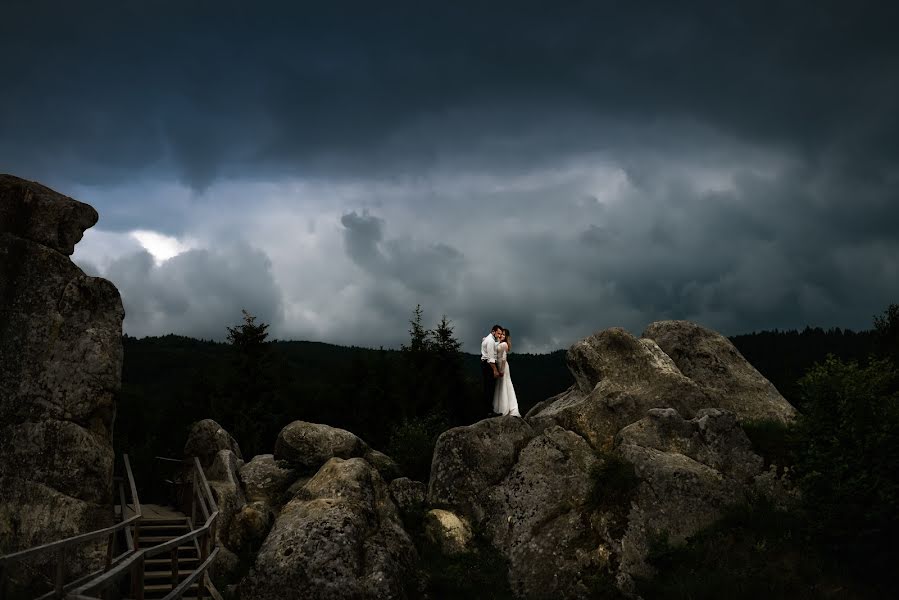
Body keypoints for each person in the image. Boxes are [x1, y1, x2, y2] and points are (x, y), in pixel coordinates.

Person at [493, 328, 521, 417]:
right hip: (499, 365)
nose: (502, 336)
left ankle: (505, 408)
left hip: (503, 367)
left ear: (506, 337)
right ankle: (500, 407)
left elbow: (504, 359)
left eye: (504, 335)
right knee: (500, 386)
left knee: (504, 385)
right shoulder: (501, 343)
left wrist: (501, 370)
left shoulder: (504, 344)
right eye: (501, 334)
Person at [481, 324, 504, 413]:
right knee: (489, 389)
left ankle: (488, 410)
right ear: (493, 331)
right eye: (498, 333)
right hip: (489, 366)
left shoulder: (488, 339)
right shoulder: (490, 341)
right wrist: (495, 370)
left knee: (488, 388)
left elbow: (493, 345)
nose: (499, 335)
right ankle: (489, 412)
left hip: (485, 365)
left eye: (501, 334)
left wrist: (498, 341)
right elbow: (490, 359)